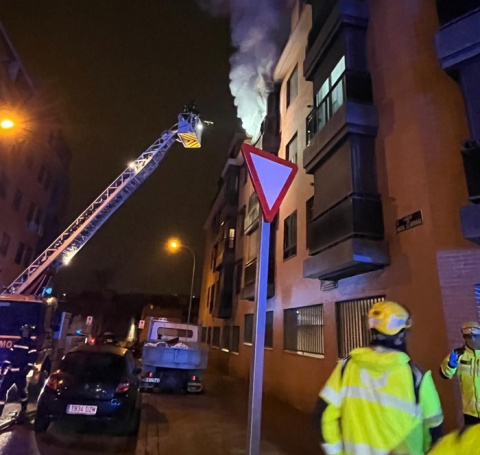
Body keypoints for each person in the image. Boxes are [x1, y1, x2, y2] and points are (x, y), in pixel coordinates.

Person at [313, 301, 443, 455]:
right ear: (401, 334)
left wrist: (336, 453)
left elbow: (323, 415)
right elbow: (434, 428)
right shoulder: (417, 377)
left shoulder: (346, 368)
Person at [440, 321, 480, 426]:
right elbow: (445, 374)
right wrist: (451, 366)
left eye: (475, 336)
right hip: (470, 412)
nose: (472, 339)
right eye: (468, 337)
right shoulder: (458, 354)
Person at [0, 325, 38, 419]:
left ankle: (23, 410)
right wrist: (5, 364)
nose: (24, 333)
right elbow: (10, 355)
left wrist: (25, 370)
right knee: (2, 390)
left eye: (26, 332)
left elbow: (31, 360)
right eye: (23, 331)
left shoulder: (31, 345)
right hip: (11, 372)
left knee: (22, 392)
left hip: (20, 373)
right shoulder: (17, 343)